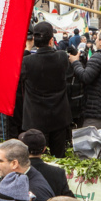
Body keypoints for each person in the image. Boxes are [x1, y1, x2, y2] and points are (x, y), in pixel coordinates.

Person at [20, 22, 75, 158]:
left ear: (34, 40)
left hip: (35, 119)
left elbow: (17, 75)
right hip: (59, 117)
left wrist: (27, 49)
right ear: (51, 40)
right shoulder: (61, 57)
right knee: (59, 159)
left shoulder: (27, 62)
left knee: (36, 159)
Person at [73, 29, 101, 130]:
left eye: (96, 38)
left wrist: (75, 62)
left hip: (97, 116)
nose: (95, 41)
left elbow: (86, 77)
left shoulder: (98, 57)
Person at [20, 128, 73, 199]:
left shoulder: (17, 170)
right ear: (44, 149)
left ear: (23, 149)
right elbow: (70, 200)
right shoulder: (58, 173)